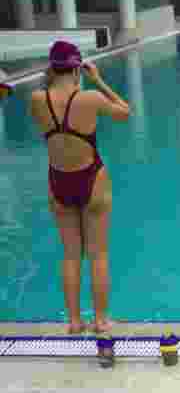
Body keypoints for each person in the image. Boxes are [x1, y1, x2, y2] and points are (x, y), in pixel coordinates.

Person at [27, 41, 131, 339]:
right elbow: (125, 111)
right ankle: (100, 321)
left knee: (71, 255)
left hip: (58, 181)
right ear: (77, 69)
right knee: (98, 254)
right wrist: (98, 80)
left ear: (52, 67)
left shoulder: (37, 99)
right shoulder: (90, 98)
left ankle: (73, 322)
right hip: (91, 179)